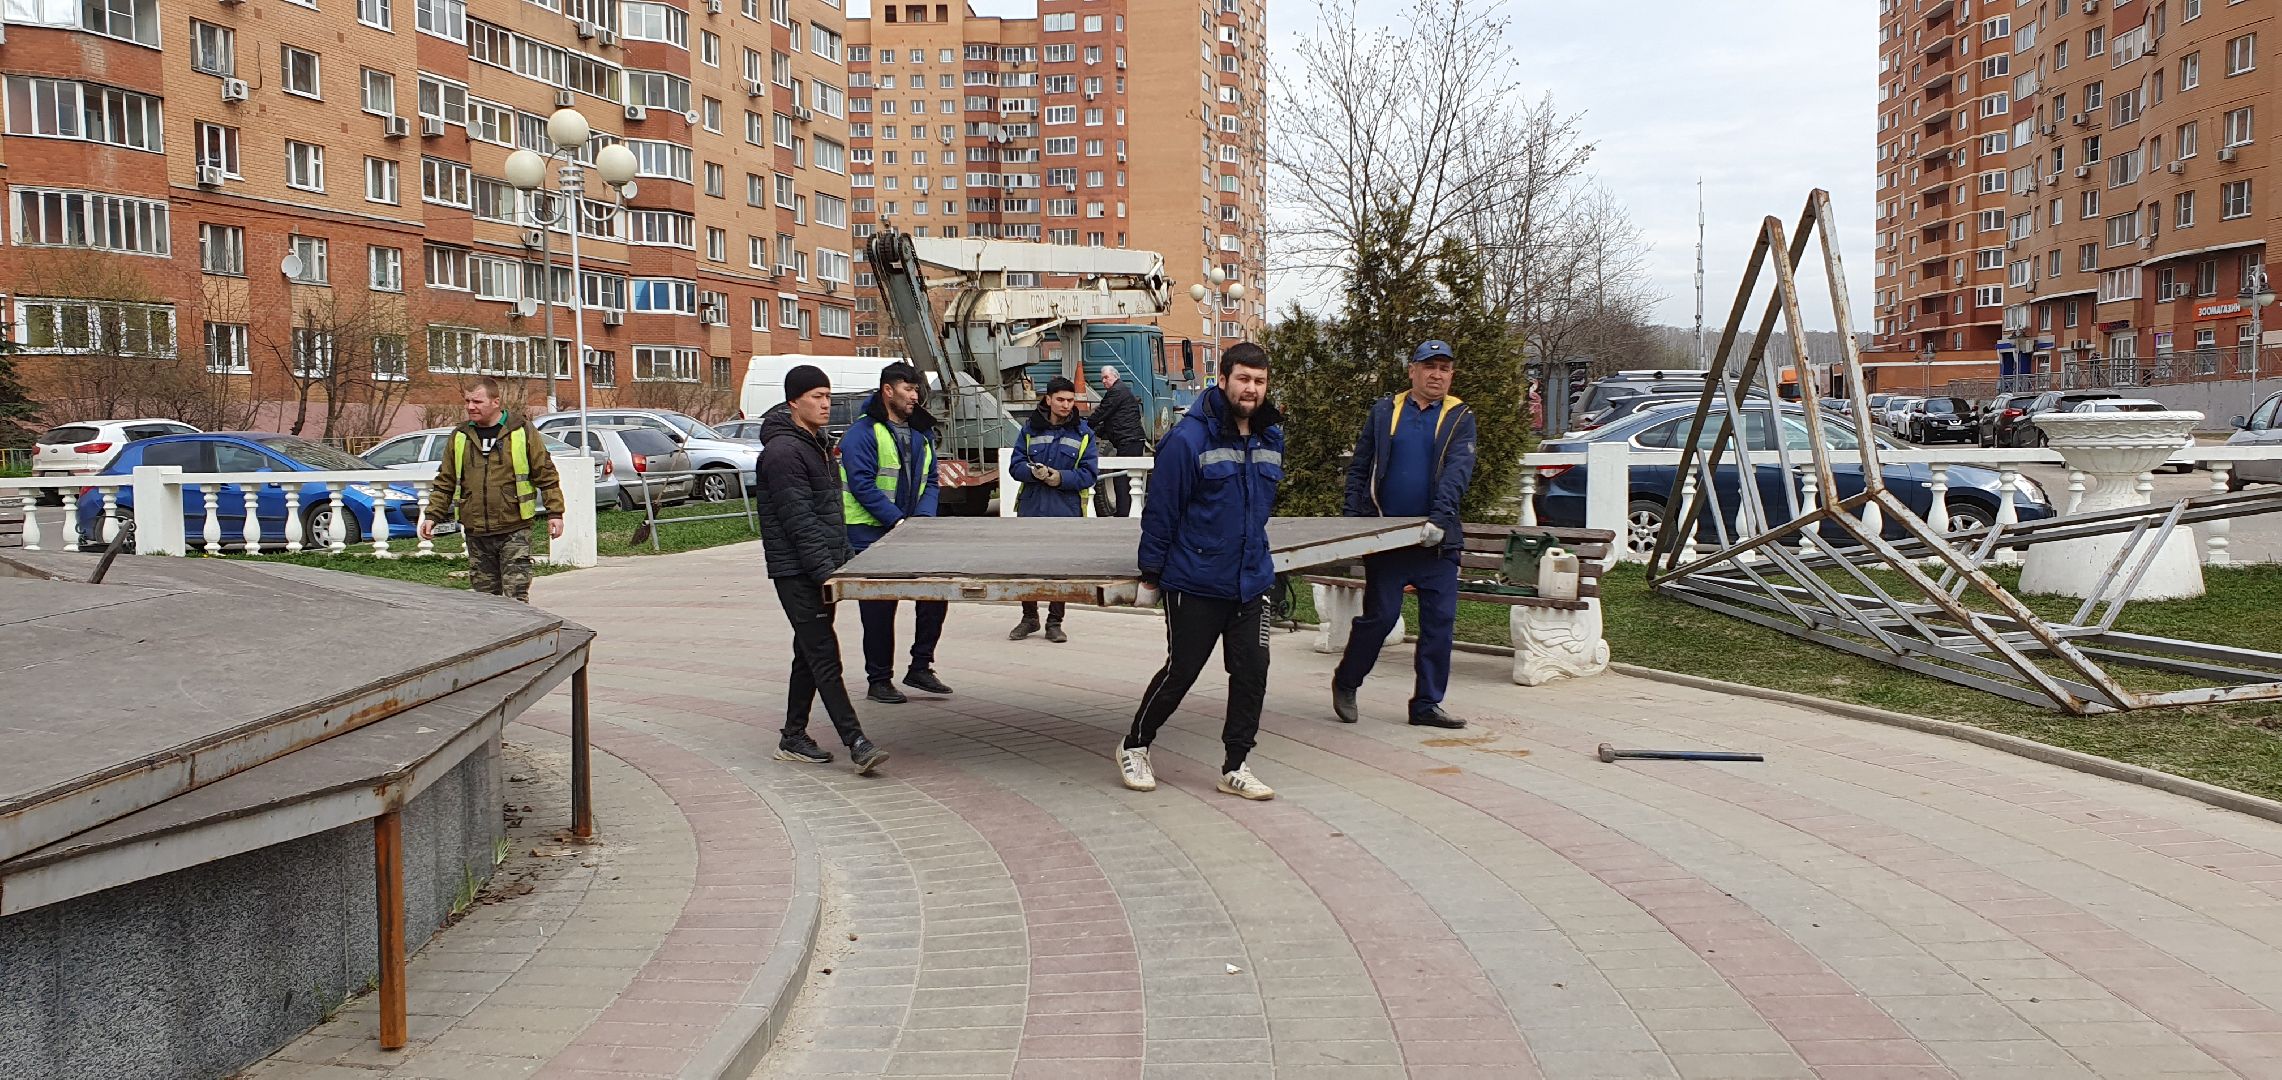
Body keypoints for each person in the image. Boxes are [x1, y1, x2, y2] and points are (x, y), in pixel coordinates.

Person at [1117, 343, 1282, 801]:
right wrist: (1151, 575)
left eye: (1260, 381)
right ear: (1223, 379)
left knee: (1253, 672)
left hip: (1251, 579)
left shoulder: (1271, 436)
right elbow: (1161, 510)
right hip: (1196, 580)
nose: (1251, 389)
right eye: (1244, 379)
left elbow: (1259, 507)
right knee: (1182, 671)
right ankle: (1135, 745)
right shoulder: (1188, 439)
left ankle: (1235, 765)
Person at [1331, 340, 1477, 730]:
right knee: (1380, 618)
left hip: (1436, 540)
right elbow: (1360, 468)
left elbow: (1458, 472)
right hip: (1387, 538)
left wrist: (1440, 520)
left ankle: (1427, 704)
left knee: (1439, 623)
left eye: (1445, 368)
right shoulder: (1385, 411)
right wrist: (1354, 523)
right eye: (1430, 367)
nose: (1437, 375)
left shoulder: (1460, 415)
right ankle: (1346, 681)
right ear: (1412, 370)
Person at [755, 364, 888, 775]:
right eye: (817, 396)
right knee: (824, 654)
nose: (826, 404)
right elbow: (800, 523)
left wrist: (845, 563)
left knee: (807, 653)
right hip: (797, 571)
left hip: (820, 567)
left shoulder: (816, 444)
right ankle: (857, 743)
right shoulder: (782, 453)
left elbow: (832, 514)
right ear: (794, 401)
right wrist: (825, 575)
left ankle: (793, 736)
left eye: (828, 396)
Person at [840, 363, 956, 705]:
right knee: (878, 607)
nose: (914, 395)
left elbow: (931, 481)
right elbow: (861, 484)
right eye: (908, 388)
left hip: (911, 530)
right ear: (887, 391)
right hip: (869, 534)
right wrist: (897, 521)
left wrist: (920, 519)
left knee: (935, 592)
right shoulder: (862, 433)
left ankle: (920, 666)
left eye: (916, 389)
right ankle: (879, 679)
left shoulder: (921, 433)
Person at [420, 376, 564, 603]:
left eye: (477, 402)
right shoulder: (460, 436)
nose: (470, 407)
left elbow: (545, 473)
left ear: (495, 402)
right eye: (467, 401)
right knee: (486, 601)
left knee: (516, 595)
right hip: (476, 532)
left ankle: (521, 636)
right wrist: (432, 515)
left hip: (513, 528)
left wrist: (555, 513)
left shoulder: (521, 431)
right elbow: (446, 480)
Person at [1008, 376, 1101, 643]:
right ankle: (1029, 618)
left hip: (1065, 510)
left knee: (1060, 568)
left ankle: (1054, 622)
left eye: (1070, 400)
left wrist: (1059, 478)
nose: (1066, 405)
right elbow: (1015, 466)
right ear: (1048, 400)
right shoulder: (1029, 430)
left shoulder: (1084, 434)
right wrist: (1033, 472)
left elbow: (1089, 474)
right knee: (1028, 565)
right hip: (1032, 507)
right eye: (1060, 399)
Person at [1090, 363, 1149, 517]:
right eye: (1102, 378)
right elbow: (1113, 419)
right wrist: (1096, 430)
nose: (1103, 381)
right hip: (1131, 439)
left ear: (1115, 376)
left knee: (1122, 478)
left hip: (1129, 440)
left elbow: (1102, 412)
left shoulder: (1116, 391)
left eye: (1106, 377)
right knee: (1125, 477)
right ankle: (1126, 510)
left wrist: (1085, 425)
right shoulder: (1121, 391)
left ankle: (1124, 513)